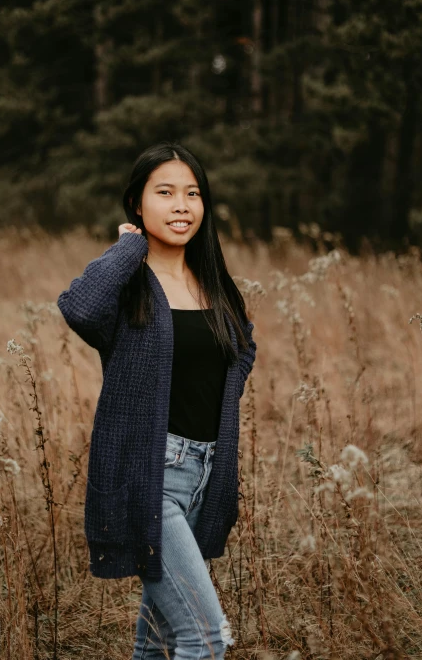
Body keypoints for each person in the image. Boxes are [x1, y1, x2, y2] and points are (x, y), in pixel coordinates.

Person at [57, 142, 257, 659]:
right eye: (164, 193)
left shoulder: (212, 281)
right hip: (151, 477)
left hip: (206, 478)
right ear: (137, 203)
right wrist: (128, 248)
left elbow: (243, 347)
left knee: (160, 642)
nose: (182, 206)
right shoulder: (130, 285)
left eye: (192, 193)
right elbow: (78, 308)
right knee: (205, 639)